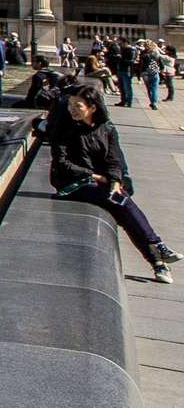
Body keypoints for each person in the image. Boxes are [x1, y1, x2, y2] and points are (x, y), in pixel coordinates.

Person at [42, 82, 180, 283]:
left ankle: (158, 261)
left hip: (101, 183)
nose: (72, 110)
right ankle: (157, 252)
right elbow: (62, 163)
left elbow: (114, 159)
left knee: (119, 202)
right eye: (70, 105)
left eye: (77, 106)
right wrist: (95, 175)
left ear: (92, 107)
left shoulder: (107, 129)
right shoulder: (64, 129)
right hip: (71, 184)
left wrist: (115, 181)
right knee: (119, 202)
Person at [108, 38, 137, 108]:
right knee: (121, 87)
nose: (120, 45)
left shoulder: (131, 50)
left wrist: (121, 59)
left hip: (127, 70)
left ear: (126, 43)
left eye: (121, 43)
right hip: (121, 69)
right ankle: (123, 100)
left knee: (127, 87)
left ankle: (129, 101)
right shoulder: (123, 50)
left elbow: (131, 61)